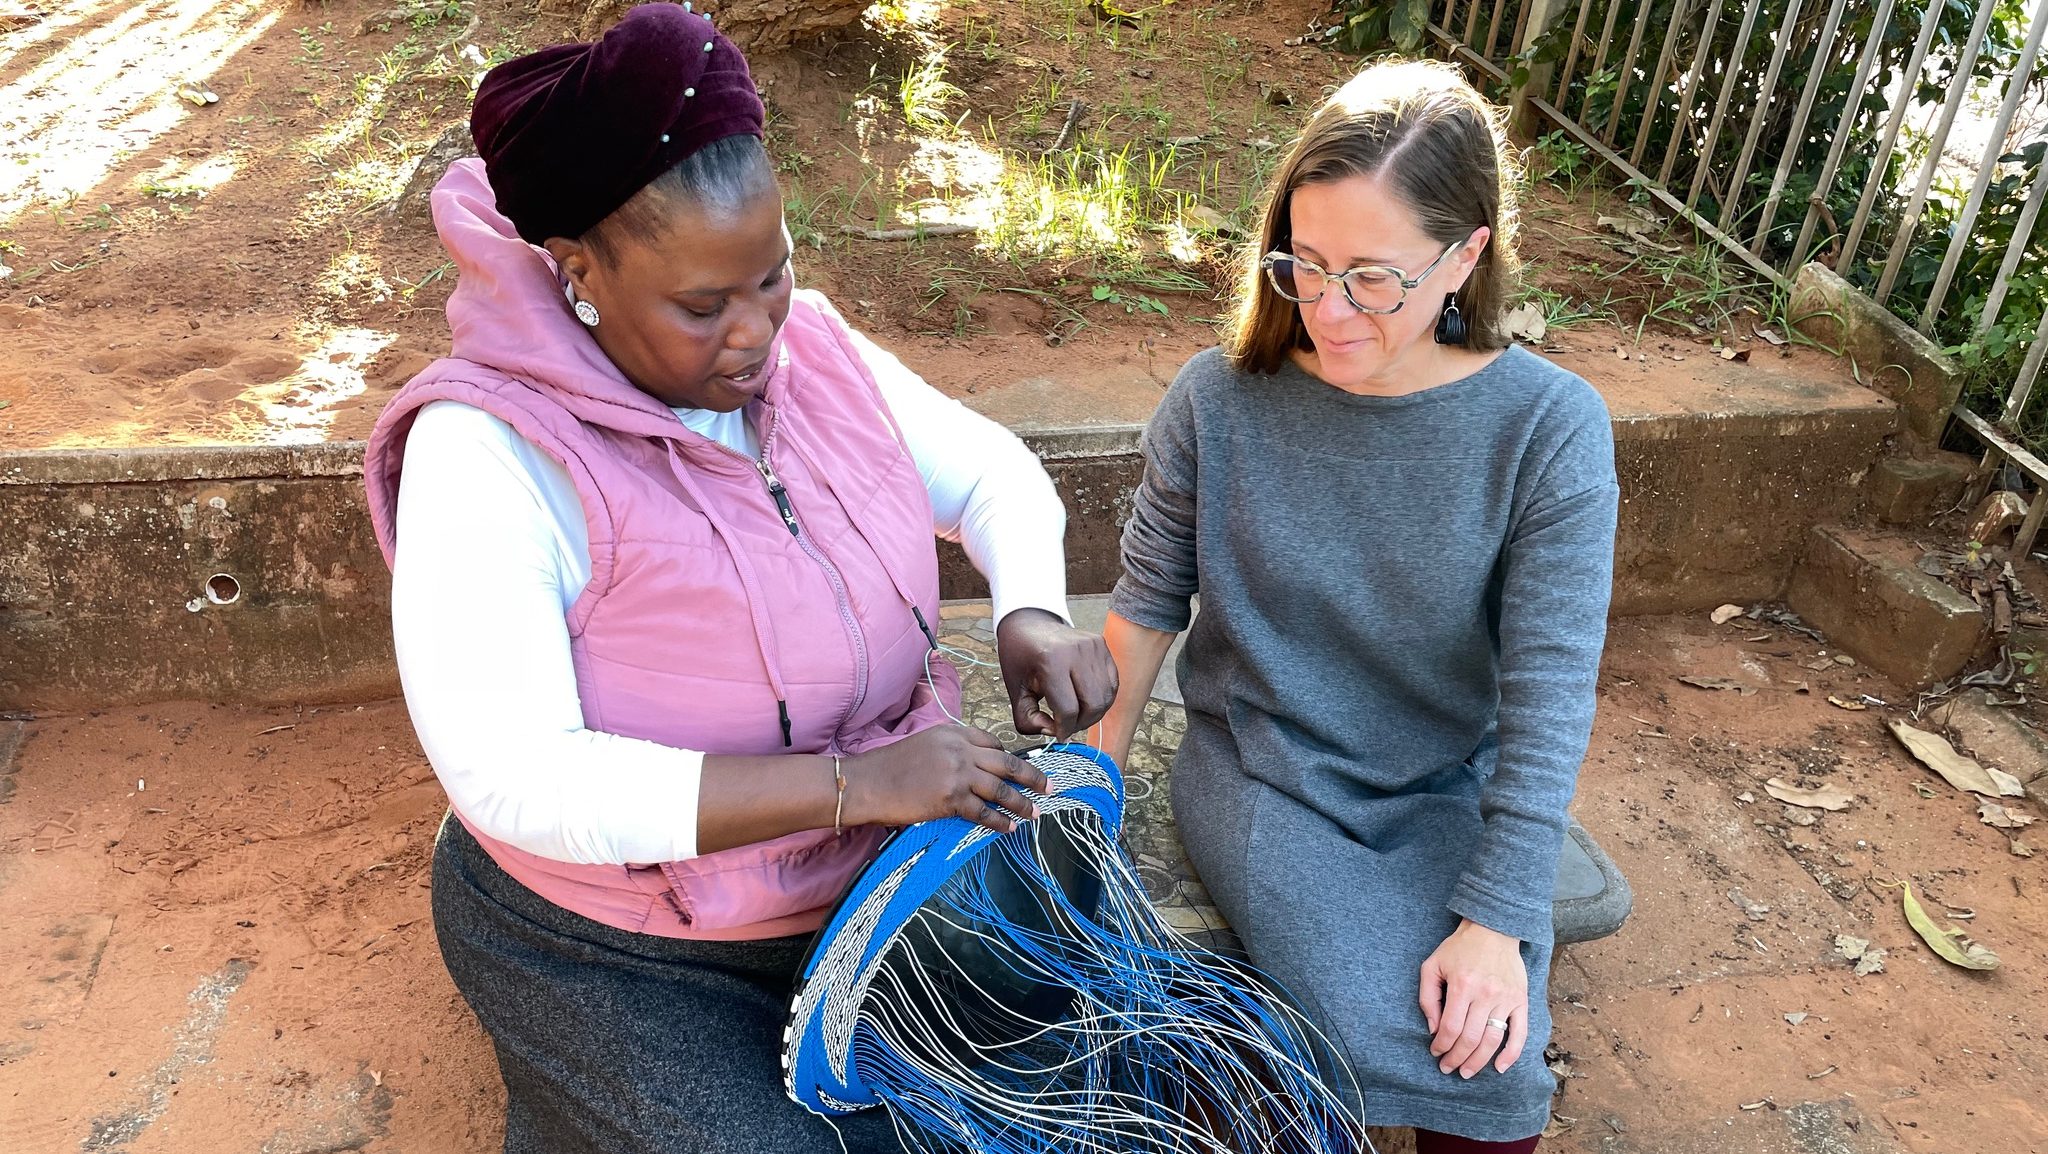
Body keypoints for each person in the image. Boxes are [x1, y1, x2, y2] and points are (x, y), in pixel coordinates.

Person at [359, 6, 1117, 1151]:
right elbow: (511, 774)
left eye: (770, 276)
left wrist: (1032, 607)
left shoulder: (810, 349)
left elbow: (994, 476)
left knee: (1055, 1082)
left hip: (873, 875)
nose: (756, 333)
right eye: (702, 307)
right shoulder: (489, 452)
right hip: (623, 934)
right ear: (578, 276)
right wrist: (854, 783)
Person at [1096, 59, 1619, 1154]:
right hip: (1265, 770)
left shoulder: (1548, 429)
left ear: (1464, 255)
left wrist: (1496, 916)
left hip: (1442, 781)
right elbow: (1146, 597)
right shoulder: (1217, 396)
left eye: (1372, 278)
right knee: (1364, 1029)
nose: (1328, 311)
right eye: (1304, 264)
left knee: (1494, 1059)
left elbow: (1548, 690)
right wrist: (1088, 780)